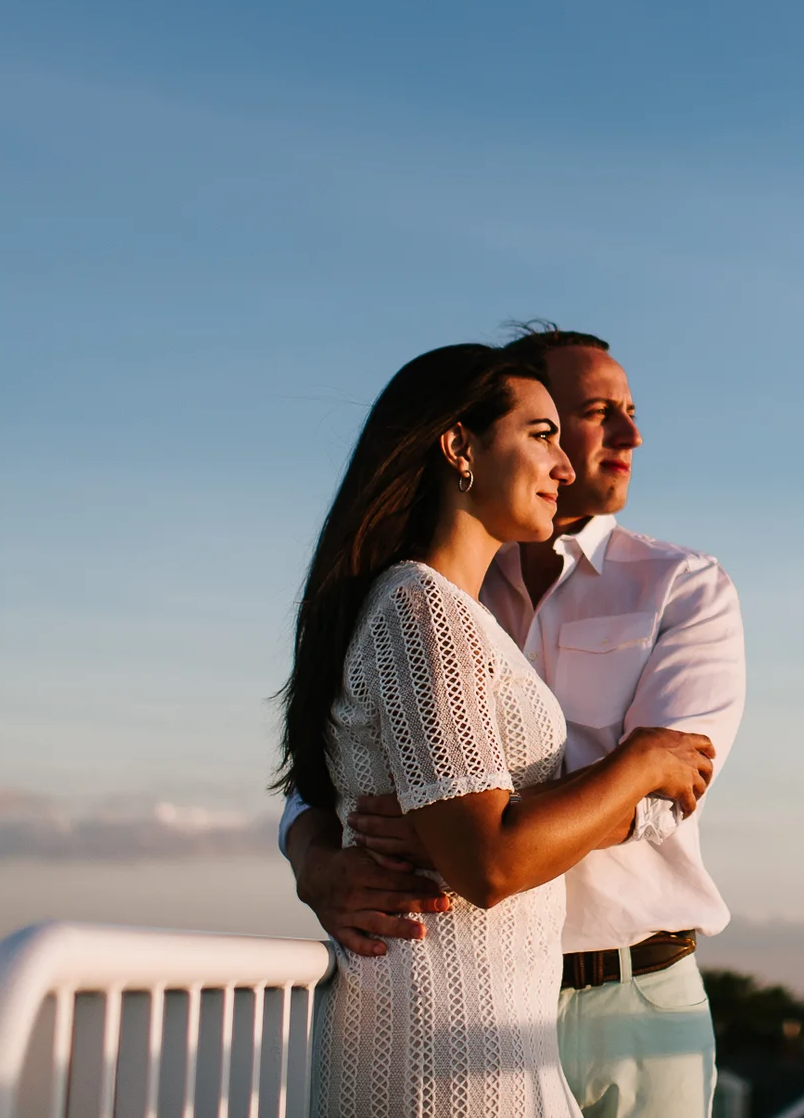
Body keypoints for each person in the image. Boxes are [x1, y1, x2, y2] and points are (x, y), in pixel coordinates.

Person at [284, 328, 746, 1118]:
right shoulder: (437, 594)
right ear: (464, 443)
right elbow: (335, 775)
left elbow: (675, 789)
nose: (620, 438)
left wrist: (479, 824)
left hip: (631, 994)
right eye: (576, 420)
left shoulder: (683, 585)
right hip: (463, 1000)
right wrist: (316, 857)